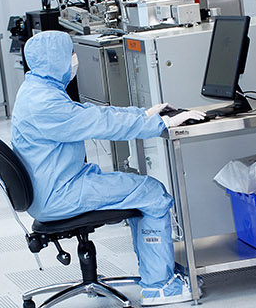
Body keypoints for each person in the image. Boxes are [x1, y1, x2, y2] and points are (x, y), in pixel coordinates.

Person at [10, 31, 205, 306]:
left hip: (54, 185)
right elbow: (99, 124)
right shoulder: (45, 103)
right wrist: (161, 124)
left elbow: (90, 114)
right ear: (56, 60)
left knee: (137, 189)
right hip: (59, 194)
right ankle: (158, 286)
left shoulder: (38, 89)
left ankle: (158, 271)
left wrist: (144, 114)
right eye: (70, 54)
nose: (74, 60)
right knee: (151, 192)